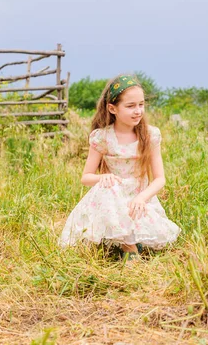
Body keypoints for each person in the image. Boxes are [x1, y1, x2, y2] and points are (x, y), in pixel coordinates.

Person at [60, 74, 180, 260]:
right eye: (130, 106)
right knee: (111, 186)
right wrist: (102, 178)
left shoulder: (150, 135)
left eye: (141, 104)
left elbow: (159, 179)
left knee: (140, 216)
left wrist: (142, 197)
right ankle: (130, 250)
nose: (138, 111)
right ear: (112, 108)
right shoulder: (102, 137)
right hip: (111, 197)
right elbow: (86, 177)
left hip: (137, 196)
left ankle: (130, 240)